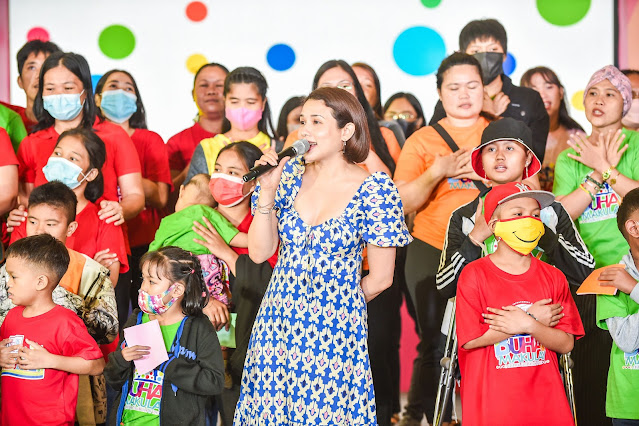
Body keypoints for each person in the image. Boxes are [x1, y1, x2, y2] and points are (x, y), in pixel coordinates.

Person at [233, 87, 411, 424]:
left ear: (346, 131)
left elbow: (382, 278)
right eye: (303, 122)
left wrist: (338, 303)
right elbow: (259, 252)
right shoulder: (286, 178)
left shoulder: (375, 189)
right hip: (277, 323)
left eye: (317, 122)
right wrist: (267, 191)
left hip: (336, 329)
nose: (306, 131)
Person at [394, 52, 489, 426]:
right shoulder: (422, 139)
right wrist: (438, 171)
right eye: (454, 87)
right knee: (434, 341)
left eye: (472, 86)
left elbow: (525, 187)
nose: (464, 94)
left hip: (492, 250)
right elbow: (401, 201)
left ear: (484, 89)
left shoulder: (499, 132)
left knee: (489, 336)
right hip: (431, 246)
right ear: (439, 92)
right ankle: (436, 419)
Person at [456, 182, 584, 425]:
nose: (529, 221)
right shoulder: (474, 274)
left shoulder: (553, 276)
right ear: (494, 226)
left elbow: (566, 343)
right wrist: (529, 318)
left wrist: (530, 325)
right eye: (518, 214)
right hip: (493, 407)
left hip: (546, 405)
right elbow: (469, 339)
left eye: (535, 215)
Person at [554, 64, 639, 426]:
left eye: (610, 93)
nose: (599, 100)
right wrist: (594, 174)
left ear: (626, 103)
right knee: (590, 370)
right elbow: (559, 216)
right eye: (592, 93)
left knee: (626, 367)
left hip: (633, 270)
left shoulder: (636, 145)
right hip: (587, 277)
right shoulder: (569, 154)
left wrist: (607, 169)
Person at [437, 117, 594, 298]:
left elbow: (585, 272)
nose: (499, 156)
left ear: (527, 158)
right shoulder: (465, 216)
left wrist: (539, 230)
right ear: (481, 161)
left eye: (509, 148)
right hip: (483, 314)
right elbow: (444, 286)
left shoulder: (551, 211)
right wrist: (474, 238)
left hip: (541, 312)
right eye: (491, 149)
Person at [192, 141, 277, 425]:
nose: (221, 178)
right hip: (198, 339)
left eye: (233, 172)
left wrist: (227, 253)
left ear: (253, 181)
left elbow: (270, 283)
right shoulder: (198, 218)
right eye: (218, 169)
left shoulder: (263, 227)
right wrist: (204, 300)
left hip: (246, 345)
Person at [15, 51, 144, 230]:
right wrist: (19, 215)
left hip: (103, 238)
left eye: (68, 88)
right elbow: (26, 201)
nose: (59, 95)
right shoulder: (32, 143)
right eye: (50, 89)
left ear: (85, 91)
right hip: (47, 243)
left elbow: (135, 195)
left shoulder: (114, 135)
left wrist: (120, 210)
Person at [104, 246, 225, 425]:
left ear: (177, 290)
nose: (143, 288)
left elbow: (214, 382)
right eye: (143, 279)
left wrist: (167, 364)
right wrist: (122, 359)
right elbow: (113, 380)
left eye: (152, 282)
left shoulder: (199, 328)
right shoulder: (137, 319)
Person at [0, 234, 105, 425]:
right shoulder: (11, 317)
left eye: (14, 277)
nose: (8, 283)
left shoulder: (65, 322)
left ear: (40, 282)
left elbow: (97, 365)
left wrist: (51, 360)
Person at [11, 128, 128, 288]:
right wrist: (88, 270)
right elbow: (16, 278)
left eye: (73, 158)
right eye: (58, 153)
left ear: (91, 174)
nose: (61, 162)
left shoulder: (105, 219)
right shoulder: (28, 217)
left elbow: (105, 284)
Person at [94, 69, 172, 309]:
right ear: (96, 98)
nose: (120, 92)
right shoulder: (89, 140)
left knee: (146, 311)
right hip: (105, 241)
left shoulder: (150, 140)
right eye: (113, 86)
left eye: (128, 88)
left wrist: (128, 176)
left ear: (136, 100)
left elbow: (161, 197)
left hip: (145, 242)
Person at [429, 19, 549, 165]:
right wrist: (486, 115)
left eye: (492, 50)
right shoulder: (452, 101)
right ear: (464, 56)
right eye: (476, 51)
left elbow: (534, 158)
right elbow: (434, 148)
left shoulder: (529, 99)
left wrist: (494, 118)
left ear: (504, 55)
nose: (485, 57)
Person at [284, 59, 399, 174]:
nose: (335, 93)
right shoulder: (299, 137)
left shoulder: (385, 135)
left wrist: (363, 151)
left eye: (344, 86)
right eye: (326, 88)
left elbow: (391, 183)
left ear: (358, 92)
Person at [186, 66, 276, 184]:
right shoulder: (208, 147)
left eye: (250, 102)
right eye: (234, 101)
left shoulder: (276, 148)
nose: (242, 109)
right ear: (225, 101)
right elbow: (193, 193)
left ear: (263, 103)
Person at [597, 188, 639, 425]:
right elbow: (627, 341)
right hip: (628, 406)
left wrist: (633, 288)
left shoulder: (626, 284)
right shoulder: (609, 279)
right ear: (634, 228)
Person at [167, 63, 229, 198]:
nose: (211, 91)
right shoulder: (176, 143)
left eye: (219, 85)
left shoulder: (248, 136)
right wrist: (191, 170)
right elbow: (168, 198)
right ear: (193, 94)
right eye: (204, 85)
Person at [521, 66, 586, 191]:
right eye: (534, 89)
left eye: (549, 87)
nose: (542, 94)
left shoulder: (578, 137)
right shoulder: (515, 137)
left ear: (561, 92)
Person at [150, 173, 245, 255]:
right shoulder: (207, 213)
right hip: (203, 265)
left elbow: (153, 250)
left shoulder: (167, 221)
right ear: (214, 208)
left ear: (181, 191)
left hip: (172, 264)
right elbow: (233, 237)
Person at [1, 39, 62, 134]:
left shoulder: (71, 123)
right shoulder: (7, 118)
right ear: (20, 81)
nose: (39, 75)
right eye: (32, 67)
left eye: (47, 67)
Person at [353, 62, 406, 148]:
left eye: (368, 85)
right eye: (353, 83)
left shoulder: (388, 129)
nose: (359, 89)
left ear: (376, 97)